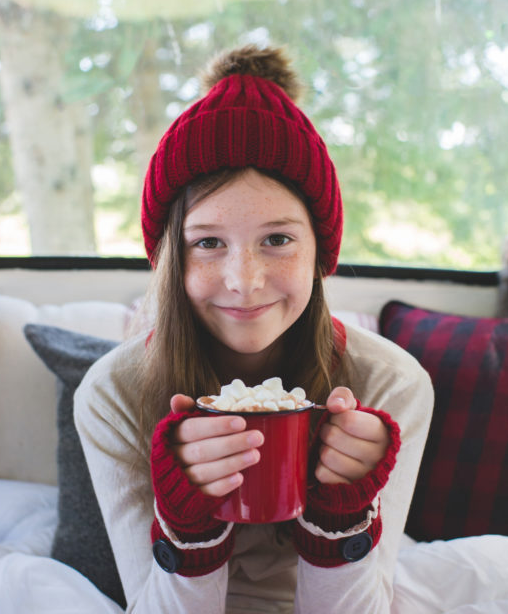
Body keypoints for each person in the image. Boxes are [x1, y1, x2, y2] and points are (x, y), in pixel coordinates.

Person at [74, 44, 434, 613]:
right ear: (171, 257)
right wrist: (187, 529)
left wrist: (341, 521)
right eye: (209, 242)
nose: (244, 281)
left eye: (278, 239)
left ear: (321, 251)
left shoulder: (391, 384)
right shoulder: (111, 394)